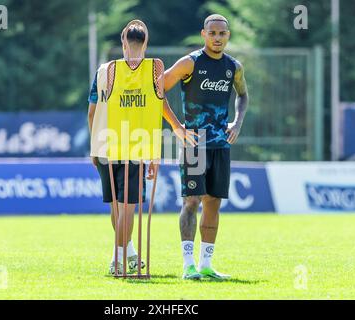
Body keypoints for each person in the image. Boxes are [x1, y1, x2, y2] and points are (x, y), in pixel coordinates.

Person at [87, 20, 197, 275]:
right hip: (135, 147)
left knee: (117, 207)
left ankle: (126, 254)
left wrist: (94, 146)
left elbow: (92, 112)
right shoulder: (153, 70)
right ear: (145, 44)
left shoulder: (103, 71)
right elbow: (160, 104)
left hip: (105, 146)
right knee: (127, 208)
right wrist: (177, 127)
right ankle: (121, 256)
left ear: (123, 42)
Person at [164, 14, 249, 280]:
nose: (217, 38)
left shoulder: (233, 67)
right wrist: (177, 127)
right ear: (204, 34)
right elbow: (158, 89)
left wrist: (237, 122)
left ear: (228, 35)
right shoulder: (190, 63)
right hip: (194, 145)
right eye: (212, 33)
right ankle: (188, 264)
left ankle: (206, 265)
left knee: (213, 203)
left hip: (220, 146)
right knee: (191, 202)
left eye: (222, 33)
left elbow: (243, 95)